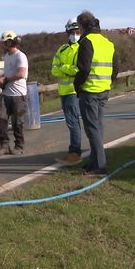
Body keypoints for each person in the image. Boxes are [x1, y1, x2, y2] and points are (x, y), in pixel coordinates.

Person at [73, 11, 118, 175]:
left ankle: (99, 165)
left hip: (90, 90)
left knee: (92, 128)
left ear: (82, 25)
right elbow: (116, 68)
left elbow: (84, 68)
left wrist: (77, 85)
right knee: (97, 126)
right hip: (104, 89)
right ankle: (93, 161)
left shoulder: (86, 41)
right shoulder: (108, 42)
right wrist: (108, 82)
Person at [52, 18, 82, 166]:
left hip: (73, 91)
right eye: (72, 32)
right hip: (63, 91)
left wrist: (63, 68)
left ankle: (75, 153)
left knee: (73, 122)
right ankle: (73, 151)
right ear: (68, 32)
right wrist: (66, 69)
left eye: (77, 31)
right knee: (70, 122)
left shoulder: (81, 48)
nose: (75, 34)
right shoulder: (62, 49)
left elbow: (78, 70)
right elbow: (54, 69)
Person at [0, 30, 28, 156]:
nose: (3, 45)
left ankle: (19, 146)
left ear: (9, 42)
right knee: (1, 119)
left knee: (17, 122)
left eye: (4, 43)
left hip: (18, 95)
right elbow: (8, 72)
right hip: (7, 93)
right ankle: (4, 145)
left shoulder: (20, 56)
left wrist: (7, 79)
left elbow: (21, 73)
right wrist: (1, 78)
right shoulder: (7, 56)